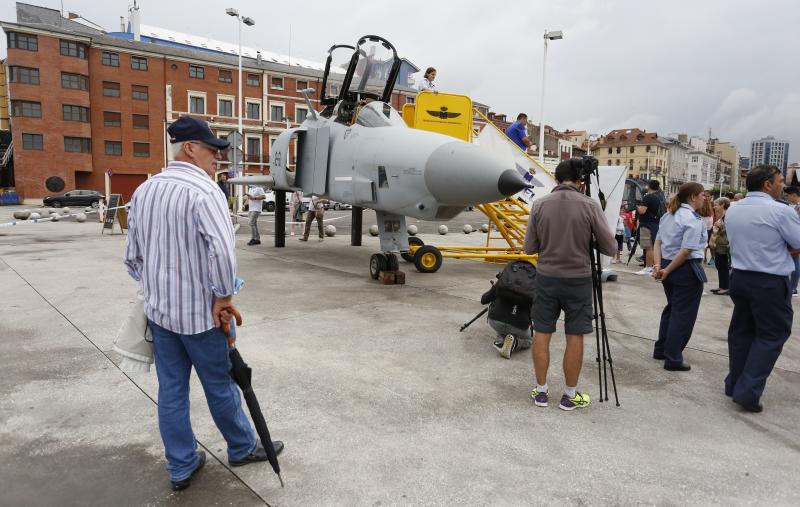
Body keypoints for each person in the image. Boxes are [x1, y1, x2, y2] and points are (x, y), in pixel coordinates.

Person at [123, 116, 283, 491]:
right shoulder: (205, 191)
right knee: (221, 385)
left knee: (172, 391)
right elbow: (223, 254)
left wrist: (159, 288)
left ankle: (180, 466)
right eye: (213, 150)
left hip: (161, 315)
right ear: (190, 148)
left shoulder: (145, 190)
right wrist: (223, 296)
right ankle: (241, 447)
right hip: (203, 316)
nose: (218, 158)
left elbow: (132, 257)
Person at [523, 158, 617, 411]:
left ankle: (541, 392)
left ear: (555, 179)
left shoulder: (540, 205)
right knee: (575, 334)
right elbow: (611, 246)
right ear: (581, 182)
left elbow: (529, 247)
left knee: (542, 331)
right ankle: (569, 395)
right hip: (579, 280)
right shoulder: (589, 205)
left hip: (546, 278)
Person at [725, 165, 800, 412]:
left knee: (742, 331)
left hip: (740, 276)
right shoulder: (780, 211)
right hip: (768, 280)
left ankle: (735, 383)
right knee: (772, 334)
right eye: (780, 181)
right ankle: (747, 391)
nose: (783, 186)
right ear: (767, 184)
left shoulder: (734, 209)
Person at [651, 182, 707, 371]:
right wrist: (666, 269)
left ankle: (661, 349)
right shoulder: (692, 219)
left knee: (673, 308)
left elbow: (658, 243)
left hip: (667, 263)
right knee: (683, 314)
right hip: (684, 268)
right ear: (693, 197)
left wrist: (659, 265)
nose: (704, 198)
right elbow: (686, 251)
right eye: (702, 195)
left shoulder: (669, 215)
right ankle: (673, 357)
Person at [480, 264, 534, 359]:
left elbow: (484, 300)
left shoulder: (503, 281)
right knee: (529, 340)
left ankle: (500, 342)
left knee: (502, 326)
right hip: (518, 326)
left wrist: (496, 286)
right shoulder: (532, 289)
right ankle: (516, 342)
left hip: (496, 321)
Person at [635, 180, 666, 275]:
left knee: (648, 247)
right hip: (656, 224)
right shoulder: (660, 196)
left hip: (646, 224)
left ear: (649, 186)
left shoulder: (648, 197)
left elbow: (642, 211)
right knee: (655, 246)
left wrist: (637, 207)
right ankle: (655, 266)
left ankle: (648, 268)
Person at [709, 197, 732, 295]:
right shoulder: (722, 216)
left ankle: (726, 287)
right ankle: (722, 286)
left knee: (723, 266)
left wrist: (719, 227)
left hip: (724, 245)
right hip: (720, 245)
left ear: (723, 205)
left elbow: (728, 229)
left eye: (717, 204)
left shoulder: (728, 216)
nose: (715, 207)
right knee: (719, 265)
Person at [783, 186, 800, 296]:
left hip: (796, 237)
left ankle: (793, 287)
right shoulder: (795, 207)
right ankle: (793, 287)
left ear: (794, 195)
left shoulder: (798, 207)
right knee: (795, 261)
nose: (786, 197)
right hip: (794, 236)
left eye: (787, 195)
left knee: (794, 262)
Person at [700, 191, 714, 265]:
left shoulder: (695, 211)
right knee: (704, 246)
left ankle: (704, 258)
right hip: (705, 232)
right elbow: (709, 226)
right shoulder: (710, 212)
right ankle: (703, 259)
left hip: (696, 232)